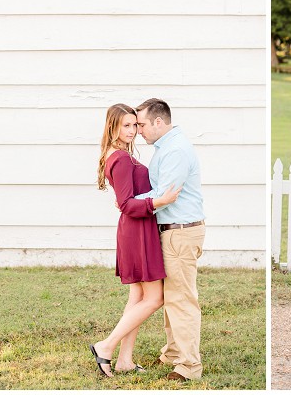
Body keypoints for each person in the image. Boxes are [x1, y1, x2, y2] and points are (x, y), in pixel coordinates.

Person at [89, 104, 181, 378]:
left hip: (137, 230)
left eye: (135, 125)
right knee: (155, 298)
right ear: (112, 127)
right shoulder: (121, 158)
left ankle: (125, 360)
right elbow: (127, 204)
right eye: (126, 126)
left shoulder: (118, 155)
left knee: (138, 296)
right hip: (137, 230)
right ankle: (105, 346)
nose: (133, 131)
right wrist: (159, 201)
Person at [131, 98, 206, 383]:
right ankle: (174, 353)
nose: (139, 130)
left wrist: (129, 203)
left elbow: (164, 196)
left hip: (180, 231)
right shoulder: (168, 147)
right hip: (173, 231)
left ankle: (188, 366)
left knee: (181, 300)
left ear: (158, 122)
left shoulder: (175, 150)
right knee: (171, 297)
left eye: (142, 124)